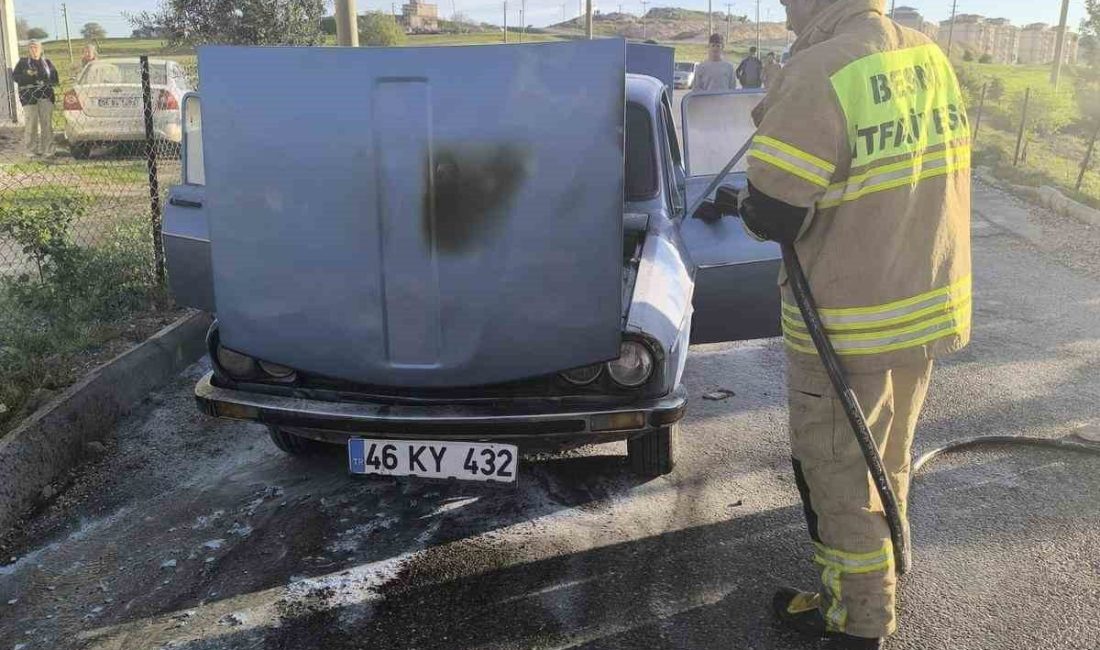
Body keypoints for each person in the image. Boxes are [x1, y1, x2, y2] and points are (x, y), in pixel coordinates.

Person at [738, 0, 971, 648]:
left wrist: (757, 166)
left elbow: (775, 211)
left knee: (840, 476)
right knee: (887, 460)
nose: (784, 5)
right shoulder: (929, 57)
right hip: (921, 311)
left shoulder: (820, 71)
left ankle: (858, 623)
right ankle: (878, 582)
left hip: (848, 327)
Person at [12, 40, 59, 157]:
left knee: (47, 124)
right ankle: (30, 150)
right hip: (29, 98)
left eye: (36, 47)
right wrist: (27, 75)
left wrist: (44, 81)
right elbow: (15, 77)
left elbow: (55, 78)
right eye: (31, 47)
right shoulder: (23, 63)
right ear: (28, 50)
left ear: (41, 49)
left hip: (45, 97)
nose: (34, 49)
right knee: (31, 124)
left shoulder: (47, 63)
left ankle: (48, 150)